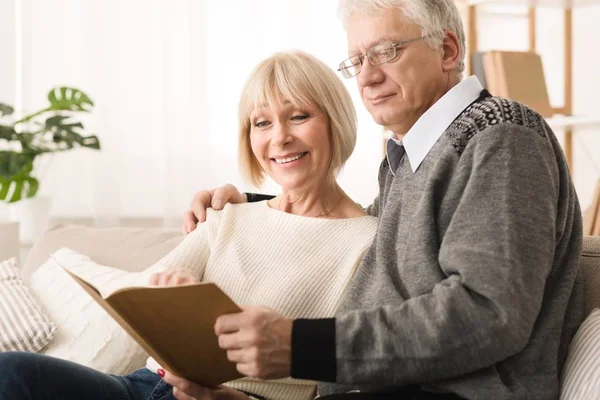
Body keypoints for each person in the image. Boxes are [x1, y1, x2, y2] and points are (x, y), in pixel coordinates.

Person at [180, 0, 584, 399]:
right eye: (357, 61)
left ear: (447, 50)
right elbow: (373, 228)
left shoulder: (502, 137)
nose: (367, 78)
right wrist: (254, 205)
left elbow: (490, 313)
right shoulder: (409, 157)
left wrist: (298, 345)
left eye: (386, 52)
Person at [0, 51, 379, 400]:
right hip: (148, 387)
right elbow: (146, 294)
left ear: (335, 121)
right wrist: (169, 290)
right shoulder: (227, 215)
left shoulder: (369, 241)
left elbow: (347, 373)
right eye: (262, 123)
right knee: (12, 372)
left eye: (299, 116)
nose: (279, 137)